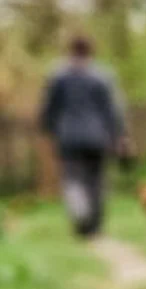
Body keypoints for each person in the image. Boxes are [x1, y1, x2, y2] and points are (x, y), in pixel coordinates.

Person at [38, 35, 129, 238]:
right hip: (98, 136)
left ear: (70, 50)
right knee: (96, 181)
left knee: (73, 178)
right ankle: (94, 227)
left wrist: (48, 129)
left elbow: (49, 108)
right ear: (91, 51)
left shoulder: (58, 76)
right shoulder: (103, 75)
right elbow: (113, 109)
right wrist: (120, 135)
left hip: (68, 136)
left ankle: (80, 215)